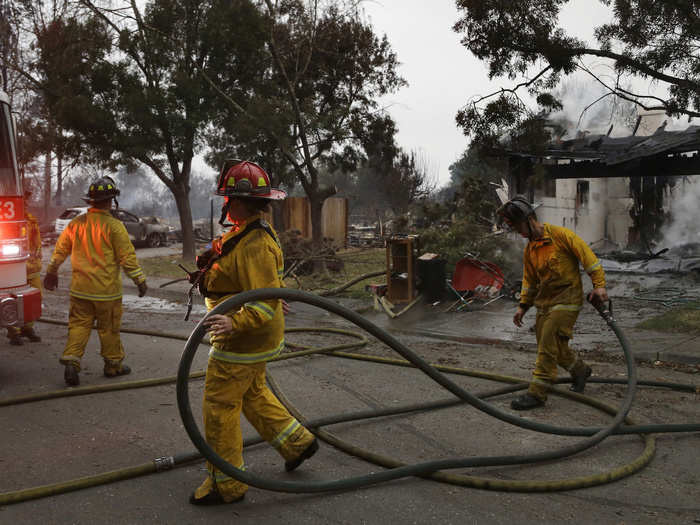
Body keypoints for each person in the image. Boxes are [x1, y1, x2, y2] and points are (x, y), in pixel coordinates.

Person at [190, 160, 318, 506]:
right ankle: (298, 444)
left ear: (243, 202)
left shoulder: (255, 243)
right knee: (253, 393)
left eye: (230, 199)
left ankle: (227, 484)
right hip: (251, 337)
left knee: (220, 404)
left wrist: (236, 321)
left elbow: (263, 301)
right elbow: (264, 287)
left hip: (242, 340)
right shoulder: (247, 233)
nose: (226, 205)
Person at [498, 195, 608, 410]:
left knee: (547, 345)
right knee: (553, 346)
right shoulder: (530, 250)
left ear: (530, 219)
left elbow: (588, 258)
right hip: (545, 303)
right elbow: (529, 281)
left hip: (567, 299)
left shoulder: (560, 235)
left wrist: (599, 285)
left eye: (519, 226)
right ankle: (580, 371)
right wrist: (523, 306)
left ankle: (537, 393)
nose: (519, 233)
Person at [43, 176, 147, 386]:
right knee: (109, 329)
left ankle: (72, 361)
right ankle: (113, 366)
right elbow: (127, 257)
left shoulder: (75, 224)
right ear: (111, 201)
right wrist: (140, 281)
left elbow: (60, 250)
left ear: (90, 201)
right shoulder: (115, 226)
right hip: (107, 293)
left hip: (80, 291)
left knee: (78, 326)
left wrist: (51, 271)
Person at [7, 180, 42, 345]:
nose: (25, 203)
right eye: (23, 200)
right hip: (14, 268)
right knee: (12, 298)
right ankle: (14, 332)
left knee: (33, 298)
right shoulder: (7, 221)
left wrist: (37, 256)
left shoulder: (31, 220)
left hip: (31, 267)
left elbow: (37, 243)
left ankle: (28, 328)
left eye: (26, 200)